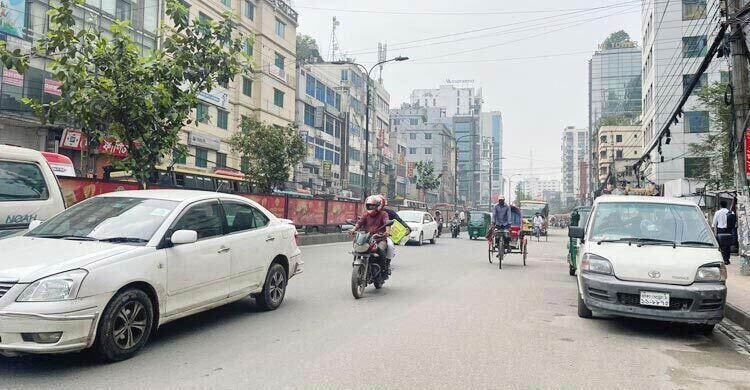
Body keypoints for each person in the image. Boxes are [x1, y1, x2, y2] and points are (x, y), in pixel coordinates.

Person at [713, 200, 732, 265]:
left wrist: (715, 233)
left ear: (720, 205)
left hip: (720, 231)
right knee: (728, 245)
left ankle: (723, 259)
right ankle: (727, 259)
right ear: (726, 205)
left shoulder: (717, 212)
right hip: (728, 231)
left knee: (721, 246)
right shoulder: (731, 212)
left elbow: (714, 224)